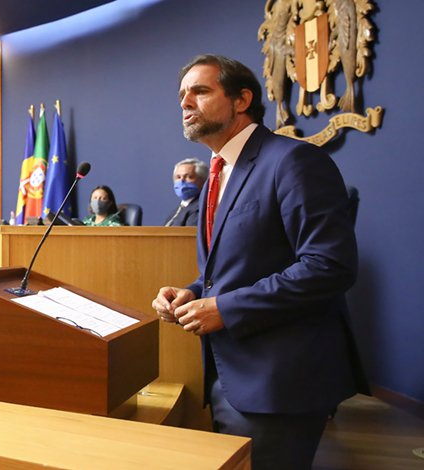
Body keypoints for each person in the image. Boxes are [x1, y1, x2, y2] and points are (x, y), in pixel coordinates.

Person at [151, 54, 369, 470]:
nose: (186, 102)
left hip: (280, 380)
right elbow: (239, 265)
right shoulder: (218, 173)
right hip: (229, 375)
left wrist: (225, 308)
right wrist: (192, 292)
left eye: (200, 91)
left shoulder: (292, 160)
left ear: (241, 100)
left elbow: (329, 265)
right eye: (182, 95)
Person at [165, 158, 208, 226]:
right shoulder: (174, 213)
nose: (181, 181)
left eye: (188, 177)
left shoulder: (201, 209)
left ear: (203, 182)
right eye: (178, 177)